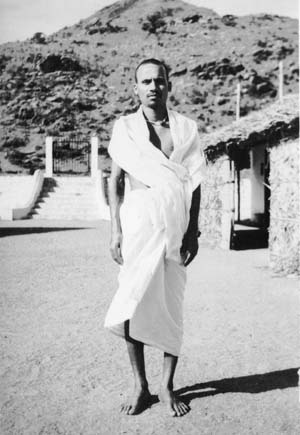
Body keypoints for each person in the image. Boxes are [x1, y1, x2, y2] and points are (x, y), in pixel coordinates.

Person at [104, 58, 206, 417]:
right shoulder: (125, 128)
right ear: (135, 88)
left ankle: (166, 385)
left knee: (171, 304)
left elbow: (194, 185)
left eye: (159, 80)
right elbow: (115, 181)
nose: (152, 87)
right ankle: (139, 384)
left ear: (169, 85)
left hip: (176, 225)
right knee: (132, 300)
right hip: (138, 224)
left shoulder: (187, 129)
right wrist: (115, 229)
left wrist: (192, 232)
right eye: (145, 81)